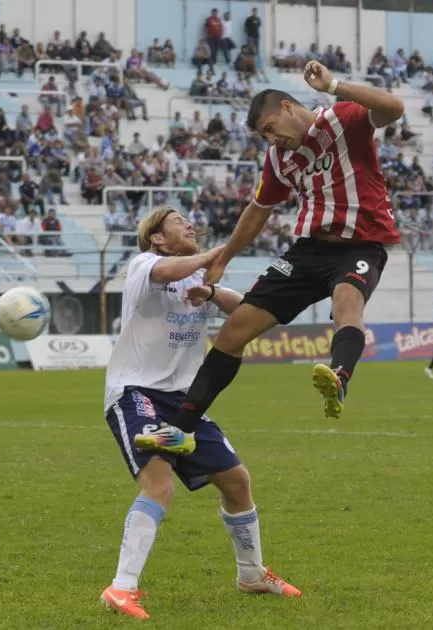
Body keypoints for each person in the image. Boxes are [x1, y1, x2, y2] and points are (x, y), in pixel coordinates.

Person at [137, 61, 403, 455]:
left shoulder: (343, 118)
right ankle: (181, 430)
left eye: (270, 129)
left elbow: (394, 108)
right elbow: (258, 210)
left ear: (287, 108)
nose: (271, 140)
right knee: (235, 329)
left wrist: (334, 84)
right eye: (264, 136)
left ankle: (339, 375)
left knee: (347, 301)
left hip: (362, 244)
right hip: (308, 251)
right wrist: (224, 258)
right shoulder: (279, 159)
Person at [100, 206, 300, 620]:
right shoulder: (144, 265)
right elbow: (168, 273)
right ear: (156, 237)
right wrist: (215, 254)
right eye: (178, 222)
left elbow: (242, 308)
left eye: (191, 220)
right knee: (159, 485)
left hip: (185, 400)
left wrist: (210, 291)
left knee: (237, 481)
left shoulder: (195, 278)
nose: (191, 224)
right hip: (138, 392)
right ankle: (121, 588)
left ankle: (251, 574)